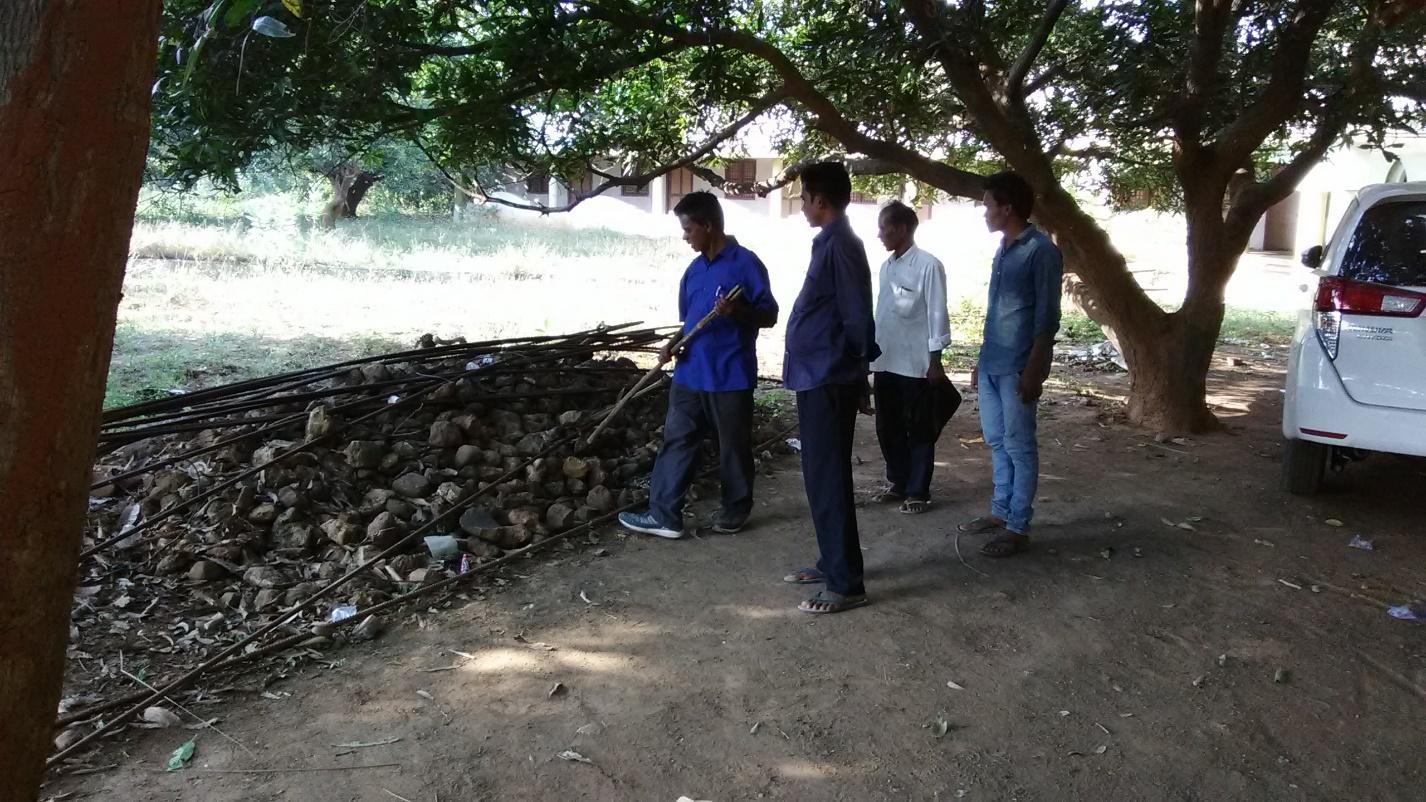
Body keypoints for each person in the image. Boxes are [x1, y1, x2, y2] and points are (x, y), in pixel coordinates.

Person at [618, 191, 778, 539]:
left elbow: (770, 316)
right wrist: (673, 343)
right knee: (677, 440)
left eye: (689, 229)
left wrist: (737, 311)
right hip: (690, 372)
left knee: (733, 447)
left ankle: (734, 511)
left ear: (708, 225)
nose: (685, 236)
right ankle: (664, 515)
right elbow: (690, 321)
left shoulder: (746, 264)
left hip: (730, 374)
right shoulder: (693, 271)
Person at [780, 162, 880, 614]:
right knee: (820, 476)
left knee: (828, 477)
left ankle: (845, 583)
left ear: (820, 200)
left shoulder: (842, 243)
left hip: (830, 375)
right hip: (818, 374)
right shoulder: (831, 242)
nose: (801, 205)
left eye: (803, 198)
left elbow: (858, 314)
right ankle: (832, 561)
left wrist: (859, 372)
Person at [957, 171, 1062, 557]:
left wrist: (1035, 368)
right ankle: (1000, 513)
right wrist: (981, 361)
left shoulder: (1041, 251)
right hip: (992, 364)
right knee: (997, 441)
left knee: (1019, 446)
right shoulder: (1005, 247)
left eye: (987, 205)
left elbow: (1046, 317)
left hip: (1019, 366)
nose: (984, 212)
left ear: (1007, 208)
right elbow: (999, 311)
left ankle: (1018, 525)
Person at [869, 200, 953, 515]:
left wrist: (935, 360)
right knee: (887, 427)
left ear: (902, 228)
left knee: (918, 428)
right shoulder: (886, 268)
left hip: (917, 365)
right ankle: (898, 483)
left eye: (883, 227)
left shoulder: (928, 265)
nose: (879, 234)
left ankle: (918, 490)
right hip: (886, 360)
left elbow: (936, 314)